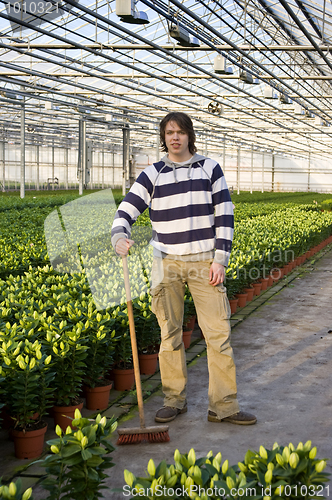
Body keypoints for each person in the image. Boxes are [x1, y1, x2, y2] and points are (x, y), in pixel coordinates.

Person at [111, 112, 256, 425]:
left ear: (190, 135)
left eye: (179, 132)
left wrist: (220, 259)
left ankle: (224, 407)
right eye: (168, 132)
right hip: (165, 262)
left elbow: (225, 215)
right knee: (170, 333)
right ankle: (173, 400)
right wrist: (119, 234)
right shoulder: (152, 173)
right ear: (163, 138)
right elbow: (126, 209)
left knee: (218, 335)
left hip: (205, 261)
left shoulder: (209, 169)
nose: (174, 137)